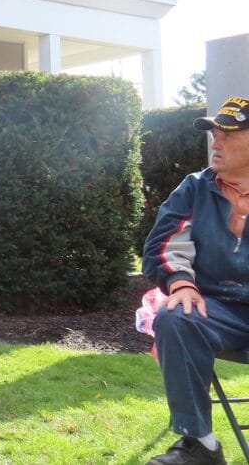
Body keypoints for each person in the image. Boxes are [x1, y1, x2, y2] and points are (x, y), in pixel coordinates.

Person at [142, 96, 249, 465]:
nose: (215, 143)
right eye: (214, 133)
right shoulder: (194, 188)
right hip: (217, 308)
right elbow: (164, 245)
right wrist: (182, 283)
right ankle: (200, 444)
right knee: (175, 317)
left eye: (228, 134)